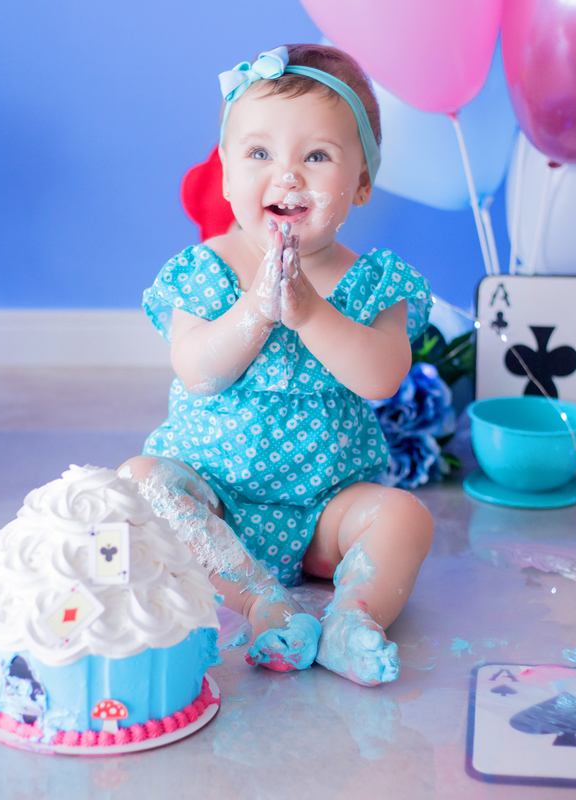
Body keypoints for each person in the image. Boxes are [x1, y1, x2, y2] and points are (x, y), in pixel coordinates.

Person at [120, 45, 434, 687]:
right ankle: (262, 602)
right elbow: (198, 373)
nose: (287, 175)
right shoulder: (205, 270)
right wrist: (255, 311)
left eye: (316, 156)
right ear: (226, 175)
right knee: (140, 481)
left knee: (406, 517)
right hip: (214, 496)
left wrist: (310, 312)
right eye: (259, 153)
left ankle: (354, 618)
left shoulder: (373, 282)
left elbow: (380, 378)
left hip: (327, 510)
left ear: (361, 183)